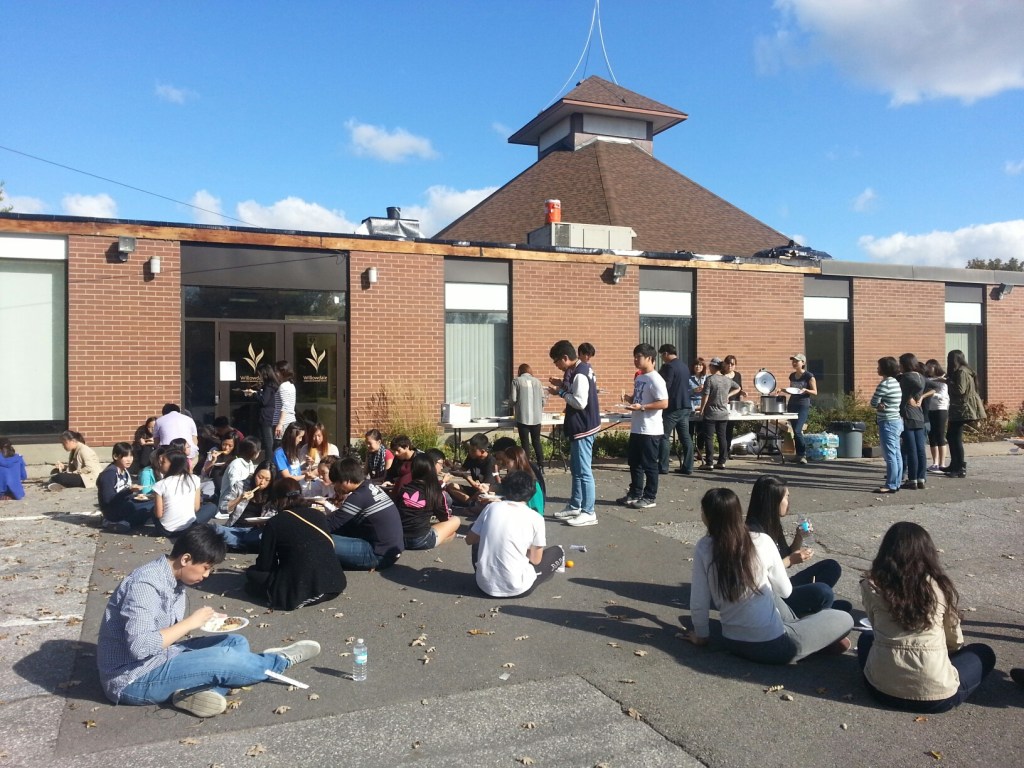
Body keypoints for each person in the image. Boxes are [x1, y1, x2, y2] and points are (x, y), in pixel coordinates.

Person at [97, 525, 322, 718]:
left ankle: (196, 693)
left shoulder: (171, 578)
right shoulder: (145, 586)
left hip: (162, 657)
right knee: (227, 659)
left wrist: (205, 622)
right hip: (133, 677)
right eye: (206, 568)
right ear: (186, 559)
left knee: (235, 643)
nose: (207, 575)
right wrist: (190, 622)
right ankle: (278, 661)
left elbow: (160, 630)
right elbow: (141, 647)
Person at [686, 488, 853, 664]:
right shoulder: (761, 540)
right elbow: (786, 591)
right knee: (844, 617)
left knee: (779, 600)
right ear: (738, 513)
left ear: (706, 516)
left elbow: (699, 599)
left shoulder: (703, 547)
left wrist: (701, 635)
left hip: (732, 641)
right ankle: (815, 637)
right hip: (776, 647)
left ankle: (812, 631)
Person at [858, 522, 996, 713]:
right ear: (928, 552)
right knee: (983, 652)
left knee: (866, 638)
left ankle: (891, 674)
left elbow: (875, 626)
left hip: (880, 690)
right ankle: (925, 678)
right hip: (936, 698)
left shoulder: (871, 585)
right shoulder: (940, 586)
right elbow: (954, 641)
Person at [745, 476, 849, 616]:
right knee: (823, 592)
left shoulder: (773, 522)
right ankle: (816, 612)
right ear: (774, 501)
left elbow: (786, 554)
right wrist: (790, 560)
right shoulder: (754, 534)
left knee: (831, 567)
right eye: (786, 497)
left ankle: (817, 608)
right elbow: (759, 575)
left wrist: (799, 536)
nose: (789, 502)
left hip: (782, 586)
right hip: (771, 597)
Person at [245, 477, 346, 610]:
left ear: (276, 499)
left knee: (252, 574)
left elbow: (265, 564)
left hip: (301, 591)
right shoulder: (318, 514)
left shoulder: (275, 522)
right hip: (334, 583)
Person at [466, 471, 566, 599]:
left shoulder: (491, 508)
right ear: (531, 493)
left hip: (483, 586)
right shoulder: (536, 518)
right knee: (557, 552)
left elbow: (470, 540)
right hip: (518, 588)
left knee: (478, 536)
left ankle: (487, 573)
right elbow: (535, 559)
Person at [547, 340, 601, 527]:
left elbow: (579, 402)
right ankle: (575, 505)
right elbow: (576, 391)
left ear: (565, 358)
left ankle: (589, 511)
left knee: (584, 472)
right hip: (581, 427)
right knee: (577, 470)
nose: (557, 366)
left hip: (584, 428)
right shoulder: (581, 370)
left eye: (557, 362)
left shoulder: (580, 374)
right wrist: (561, 385)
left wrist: (560, 392)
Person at [327, 457, 404, 571]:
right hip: (391, 550)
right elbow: (342, 518)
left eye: (336, 483)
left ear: (346, 480)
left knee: (320, 538)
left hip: (378, 555)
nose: (335, 487)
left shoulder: (359, 497)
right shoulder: (369, 487)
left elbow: (331, 523)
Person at [618, 343, 668, 509]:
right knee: (634, 463)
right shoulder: (640, 377)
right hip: (637, 427)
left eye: (639, 356)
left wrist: (643, 407)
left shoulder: (656, 379)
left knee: (649, 464)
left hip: (651, 429)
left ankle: (650, 496)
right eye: (635, 356)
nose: (635, 360)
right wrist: (630, 399)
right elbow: (640, 399)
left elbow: (664, 403)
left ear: (650, 359)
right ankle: (635, 493)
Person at [396, 453, 462, 550]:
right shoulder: (435, 492)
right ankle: (435, 540)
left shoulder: (404, 489)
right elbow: (445, 518)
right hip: (420, 539)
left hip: (399, 538)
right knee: (455, 521)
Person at [151, 451, 219, 536]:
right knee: (212, 507)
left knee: (153, 509)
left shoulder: (159, 485)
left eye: (163, 462)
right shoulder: (194, 479)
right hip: (189, 529)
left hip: (166, 531)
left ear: (173, 465)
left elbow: (158, 514)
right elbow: (196, 507)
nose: (159, 464)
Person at [214, 462, 275, 551]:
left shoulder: (272, 493)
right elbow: (223, 509)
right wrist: (240, 499)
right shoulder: (241, 485)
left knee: (262, 536)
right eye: (260, 477)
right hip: (235, 529)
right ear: (255, 474)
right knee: (214, 529)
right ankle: (243, 544)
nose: (262, 482)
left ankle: (237, 543)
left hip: (255, 531)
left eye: (267, 480)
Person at [944, 349, 985, 479]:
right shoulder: (965, 370)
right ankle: (954, 463)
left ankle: (960, 467)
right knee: (951, 436)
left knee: (955, 437)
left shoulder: (962, 372)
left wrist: (947, 382)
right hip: (961, 408)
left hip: (963, 408)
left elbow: (960, 390)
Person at [97, 442, 154, 529]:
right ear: (116, 457)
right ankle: (118, 522)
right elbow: (108, 500)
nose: (129, 460)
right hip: (113, 510)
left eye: (131, 456)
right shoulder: (109, 474)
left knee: (154, 502)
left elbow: (126, 494)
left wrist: (136, 495)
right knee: (151, 507)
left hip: (125, 504)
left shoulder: (125, 471)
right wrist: (129, 491)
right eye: (125, 456)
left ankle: (126, 522)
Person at [657, 344, 693, 475]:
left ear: (666, 353)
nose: (662, 358)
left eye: (662, 355)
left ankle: (663, 466)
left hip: (673, 406)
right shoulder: (684, 366)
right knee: (685, 438)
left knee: (663, 436)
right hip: (685, 405)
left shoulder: (669, 367)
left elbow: (666, 385)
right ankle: (688, 466)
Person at [698, 358, 739, 471]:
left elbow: (705, 396)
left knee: (709, 437)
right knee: (722, 437)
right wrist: (728, 395)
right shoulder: (727, 379)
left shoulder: (710, 379)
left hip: (711, 412)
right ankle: (722, 461)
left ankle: (709, 462)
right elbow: (738, 387)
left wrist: (701, 409)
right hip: (723, 413)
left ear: (712, 367)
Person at [870, 356, 904, 494]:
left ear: (885, 368)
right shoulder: (895, 382)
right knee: (897, 454)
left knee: (890, 455)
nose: (877, 369)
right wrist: (881, 405)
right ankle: (897, 482)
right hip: (896, 420)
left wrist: (879, 405)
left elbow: (873, 403)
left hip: (887, 422)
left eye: (879, 366)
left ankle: (890, 484)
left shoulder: (884, 384)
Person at [898, 353, 928, 490]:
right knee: (920, 449)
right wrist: (919, 397)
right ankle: (921, 478)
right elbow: (935, 385)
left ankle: (912, 479)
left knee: (911, 449)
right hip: (919, 415)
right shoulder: (921, 376)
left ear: (905, 364)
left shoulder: (906, 377)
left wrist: (911, 396)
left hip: (908, 414)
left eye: (900, 364)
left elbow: (913, 387)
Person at [217, 437, 261, 519]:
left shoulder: (249, 463)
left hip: (242, 502)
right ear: (254, 452)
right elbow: (235, 486)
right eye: (258, 450)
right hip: (229, 505)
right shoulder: (236, 464)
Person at [511, 363, 545, 469]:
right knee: (536, 441)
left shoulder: (516, 381)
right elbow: (543, 400)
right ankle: (541, 465)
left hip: (523, 417)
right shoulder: (538, 382)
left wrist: (509, 406)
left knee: (525, 442)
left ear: (520, 371)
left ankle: (527, 465)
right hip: (536, 418)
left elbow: (513, 399)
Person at [784, 354, 817, 465]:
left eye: (796, 361)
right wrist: (782, 389)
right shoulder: (792, 376)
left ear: (803, 363)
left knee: (798, 430)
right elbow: (792, 390)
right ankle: (798, 455)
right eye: (793, 361)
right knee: (794, 431)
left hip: (803, 405)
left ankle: (803, 455)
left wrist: (806, 390)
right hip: (792, 404)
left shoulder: (809, 376)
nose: (794, 363)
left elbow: (815, 392)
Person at [495, 446, 546, 516]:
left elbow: (537, 511)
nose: (506, 466)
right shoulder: (512, 478)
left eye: (508, 462)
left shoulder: (530, 483)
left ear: (517, 461)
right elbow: (501, 486)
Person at [242, 363, 279, 459]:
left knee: (268, 442)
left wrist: (253, 395)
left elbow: (264, 401)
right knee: (269, 441)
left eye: (259, 374)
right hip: (271, 416)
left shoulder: (268, 386)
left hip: (266, 417)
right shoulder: (273, 386)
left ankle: (269, 462)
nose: (258, 377)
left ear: (264, 374)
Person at [922, 359, 950, 473]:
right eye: (927, 367)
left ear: (936, 367)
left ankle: (942, 463)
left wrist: (929, 395)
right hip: (930, 409)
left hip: (940, 409)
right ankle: (935, 462)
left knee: (940, 435)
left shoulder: (942, 379)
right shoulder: (927, 379)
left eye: (930, 367)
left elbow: (943, 395)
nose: (928, 369)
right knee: (932, 437)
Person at [721, 355, 745, 456]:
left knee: (730, 429)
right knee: (722, 428)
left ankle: (727, 451)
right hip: (722, 404)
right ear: (724, 364)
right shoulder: (721, 375)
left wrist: (743, 393)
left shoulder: (737, 375)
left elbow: (739, 389)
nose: (730, 366)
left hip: (734, 405)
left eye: (732, 364)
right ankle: (723, 451)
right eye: (728, 363)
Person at [688, 358, 708, 463]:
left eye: (700, 365)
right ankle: (690, 453)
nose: (698, 367)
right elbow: (684, 392)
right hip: (691, 405)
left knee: (701, 431)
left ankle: (700, 452)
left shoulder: (706, 378)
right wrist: (693, 390)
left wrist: (704, 389)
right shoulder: (688, 378)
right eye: (696, 365)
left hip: (702, 404)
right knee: (690, 431)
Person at [273, 360, 296, 441]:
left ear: (282, 371)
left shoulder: (283, 386)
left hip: (284, 422)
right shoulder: (291, 385)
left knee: (279, 446)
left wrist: (280, 424)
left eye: (277, 371)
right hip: (289, 420)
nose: (275, 373)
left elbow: (285, 405)